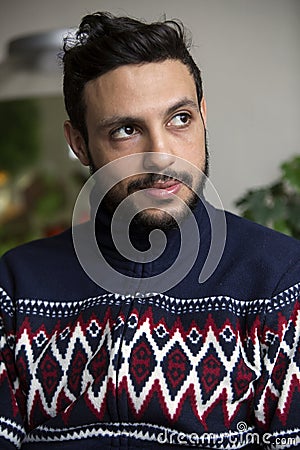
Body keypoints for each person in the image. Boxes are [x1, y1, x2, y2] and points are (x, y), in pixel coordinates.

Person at [0, 11, 299, 450]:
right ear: (79, 143)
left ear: (203, 116)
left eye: (179, 119)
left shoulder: (280, 282)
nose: (161, 156)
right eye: (125, 130)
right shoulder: (16, 287)